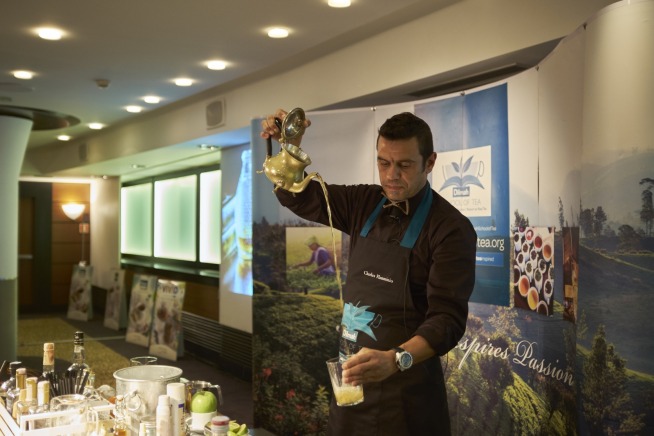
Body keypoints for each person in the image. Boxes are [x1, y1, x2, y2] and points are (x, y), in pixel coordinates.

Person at [261, 109, 477, 435]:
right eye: (383, 163)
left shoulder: (450, 229)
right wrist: (290, 146)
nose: (391, 175)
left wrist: (395, 359)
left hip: (406, 397)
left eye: (404, 165)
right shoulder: (364, 202)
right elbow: (300, 196)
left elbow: (447, 320)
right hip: (351, 388)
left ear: (429, 162)